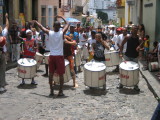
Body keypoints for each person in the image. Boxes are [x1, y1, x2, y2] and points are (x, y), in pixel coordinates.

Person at [33, 15, 69, 96]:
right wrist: (62, 17)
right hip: (59, 56)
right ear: (59, 27)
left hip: (52, 56)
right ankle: (60, 91)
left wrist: (36, 22)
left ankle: (51, 91)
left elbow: (41, 27)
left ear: (53, 26)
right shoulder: (61, 32)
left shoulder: (50, 33)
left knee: (51, 74)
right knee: (61, 75)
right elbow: (68, 23)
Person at [119, 26, 141, 91]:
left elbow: (142, 45)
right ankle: (121, 83)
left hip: (135, 57)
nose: (135, 31)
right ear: (131, 30)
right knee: (124, 70)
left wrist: (140, 47)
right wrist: (120, 53)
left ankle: (135, 85)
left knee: (135, 72)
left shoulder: (139, 39)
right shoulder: (127, 37)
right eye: (134, 29)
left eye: (136, 29)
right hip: (127, 56)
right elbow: (122, 44)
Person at [0, 13, 9, 92]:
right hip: (2, 54)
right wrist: (6, 18)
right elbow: (7, 25)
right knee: (2, 69)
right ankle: (2, 85)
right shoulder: (3, 34)